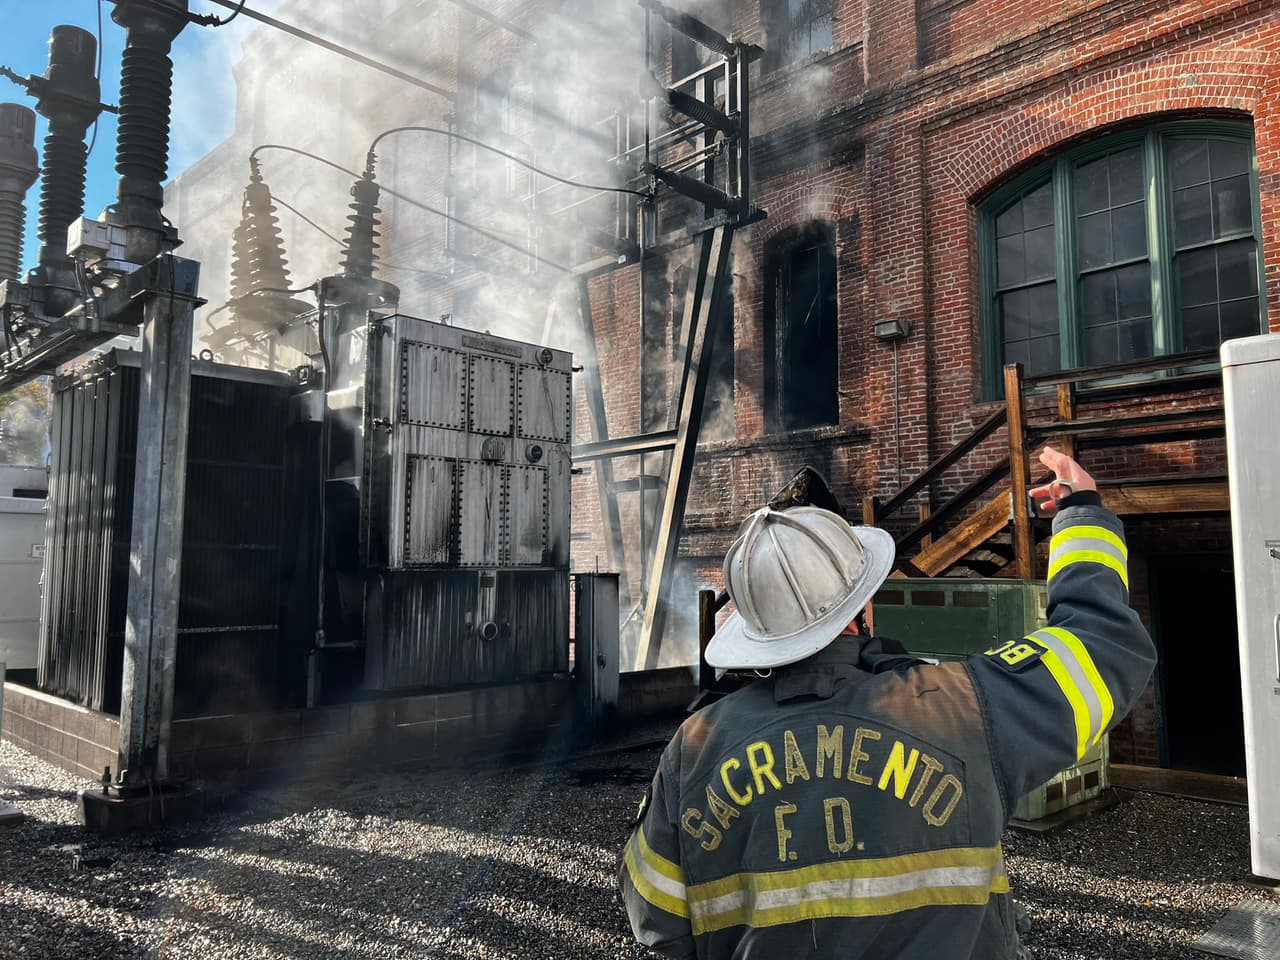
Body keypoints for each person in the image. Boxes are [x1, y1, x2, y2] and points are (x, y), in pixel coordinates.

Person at [619, 447, 1156, 959]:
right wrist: (1081, 513)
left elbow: (655, 920)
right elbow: (1103, 645)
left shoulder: (696, 746)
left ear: (756, 631)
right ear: (862, 605)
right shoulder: (965, 707)